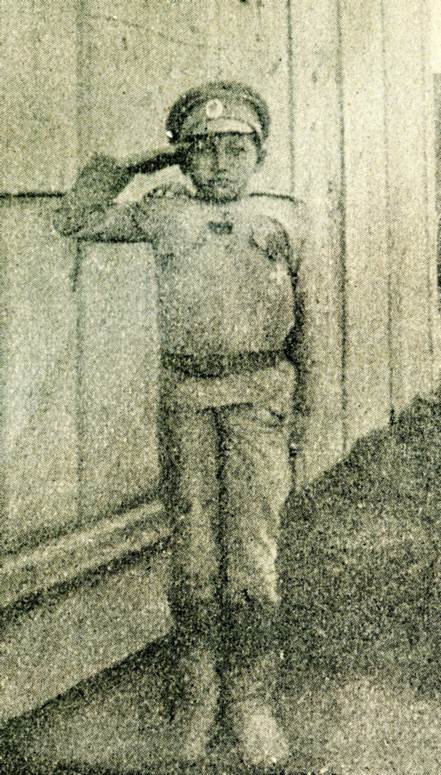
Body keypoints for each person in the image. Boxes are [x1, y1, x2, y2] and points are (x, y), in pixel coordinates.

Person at [54, 81, 310, 772]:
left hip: (260, 399)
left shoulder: (285, 218)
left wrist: (302, 417)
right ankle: (197, 698)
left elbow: (310, 328)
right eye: (202, 149)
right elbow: (74, 219)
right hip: (186, 400)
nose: (220, 163)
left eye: (236, 149)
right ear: (181, 158)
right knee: (193, 553)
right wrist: (138, 165)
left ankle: (251, 702)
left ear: (259, 155)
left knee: (251, 554)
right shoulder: (163, 213)